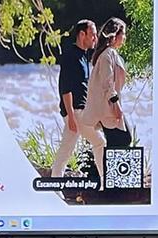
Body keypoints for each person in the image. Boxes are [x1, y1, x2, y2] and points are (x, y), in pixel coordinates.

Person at [78, 18, 129, 187]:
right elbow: (107, 83)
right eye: (123, 34)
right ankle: (112, 183)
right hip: (107, 108)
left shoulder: (108, 53)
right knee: (122, 140)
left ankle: (109, 181)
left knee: (119, 140)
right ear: (115, 36)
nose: (125, 38)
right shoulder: (108, 54)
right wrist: (116, 105)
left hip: (108, 106)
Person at [51, 20, 97, 178]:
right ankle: (104, 182)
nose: (95, 38)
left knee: (66, 150)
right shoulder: (70, 56)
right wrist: (70, 116)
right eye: (92, 34)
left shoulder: (83, 55)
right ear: (82, 34)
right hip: (75, 112)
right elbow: (65, 88)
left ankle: (55, 186)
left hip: (81, 111)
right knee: (100, 142)